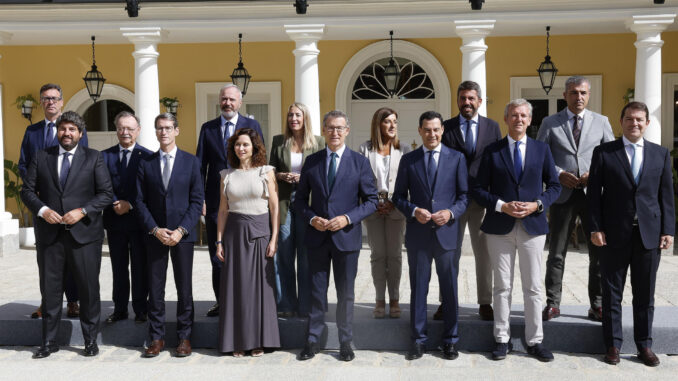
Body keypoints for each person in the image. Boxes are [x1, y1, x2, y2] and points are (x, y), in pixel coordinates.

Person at [472, 99, 561, 362]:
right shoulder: (492, 151)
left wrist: (537, 204)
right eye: (513, 115)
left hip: (533, 227)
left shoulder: (541, 149)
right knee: (502, 286)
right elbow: (478, 190)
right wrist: (501, 206)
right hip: (499, 227)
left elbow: (555, 186)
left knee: (533, 287)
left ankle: (534, 341)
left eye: (523, 115)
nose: (518, 119)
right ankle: (501, 339)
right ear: (506, 119)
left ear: (530, 120)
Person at [587, 101, 675, 367]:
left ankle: (644, 345)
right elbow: (593, 196)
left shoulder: (660, 154)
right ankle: (613, 344)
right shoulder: (604, 152)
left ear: (647, 123)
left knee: (645, 294)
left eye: (639, 119)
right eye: (629, 119)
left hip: (649, 234)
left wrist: (668, 230)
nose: (634, 123)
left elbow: (666, 196)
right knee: (612, 292)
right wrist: (595, 227)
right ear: (621, 121)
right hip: (613, 234)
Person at [21, 111, 113, 358]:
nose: (67, 133)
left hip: (84, 235)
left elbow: (105, 194)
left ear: (80, 134)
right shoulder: (41, 157)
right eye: (63, 129)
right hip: (50, 236)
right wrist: (42, 210)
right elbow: (27, 190)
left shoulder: (94, 158)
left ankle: (90, 341)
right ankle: (49, 342)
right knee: (50, 291)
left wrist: (82, 211)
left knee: (88, 290)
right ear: (57, 132)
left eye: (72, 129)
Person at [295, 110, 378, 362]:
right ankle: (313, 340)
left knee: (346, 293)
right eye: (330, 128)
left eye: (340, 128)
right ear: (323, 130)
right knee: (317, 292)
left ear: (347, 131)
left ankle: (345, 341)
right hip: (318, 237)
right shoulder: (312, 161)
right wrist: (312, 218)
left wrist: (347, 218)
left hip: (347, 238)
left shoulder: (359, 162)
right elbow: (299, 202)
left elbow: (372, 201)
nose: (335, 133)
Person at [537, 76, 615, 322]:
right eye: (573, 93)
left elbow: (612, 156)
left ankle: (598, 305)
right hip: (563, 195)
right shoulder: (550, 123)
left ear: (588, 95)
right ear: (565, 95)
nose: (578, 97)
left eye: (582, 93)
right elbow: (540, 156)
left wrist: (596, 173)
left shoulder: (602, 122)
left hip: (594, 196)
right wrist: (559, 174)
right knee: (557, 253)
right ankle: (552, 303)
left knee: (598, 253)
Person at [393, 111, 468, 361]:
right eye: (427, 130)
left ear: (442, 130)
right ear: (420, 131)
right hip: (419, 235)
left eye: (436, 129)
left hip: (447, 234)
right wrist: (414, 210)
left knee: (450, 290)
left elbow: (464, 197)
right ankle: (418, 340)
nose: (432, 134)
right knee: (418, 289)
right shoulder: (409, 160)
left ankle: (450, 341)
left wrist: (450, 212)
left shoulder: (457, 158)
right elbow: (398, 197)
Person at [135, 113, 204, 358]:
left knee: (184, 288)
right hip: (155, 235)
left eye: (167, 128)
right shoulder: (146, 163)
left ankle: (185, 337)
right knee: (155, 289)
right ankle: (156, 337)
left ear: (176, 130)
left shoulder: (191, 162)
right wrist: (155, 229)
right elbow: (140, 201)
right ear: (155, 132)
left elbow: (197, 201)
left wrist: (181, 230)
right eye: (159, 128)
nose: (163, 132)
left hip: (182, 236)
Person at [19, 83, 89, 319]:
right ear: (41, 102)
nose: (50, 102)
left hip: (70, 207)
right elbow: (23, 164)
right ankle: (47, 303)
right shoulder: (32, 132)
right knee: (46, 260)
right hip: (44, 207)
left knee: (71, 258)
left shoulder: (76, 129)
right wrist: (36, 194)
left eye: (54, 98)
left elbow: (83, 163)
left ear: (61, 100)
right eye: (46, 98)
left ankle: (73, 302)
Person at [196, 84, 264, 317]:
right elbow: (200, 166)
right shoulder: (208, 129)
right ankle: (222, 302)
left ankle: (245, 303)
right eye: (224, 99)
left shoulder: (252, 126)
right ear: (219, 101)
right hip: (216, 202)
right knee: (218, 254)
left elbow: (260, 160)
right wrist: (200, 199)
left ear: (240, 102)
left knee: (245, 254)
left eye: (232, 100)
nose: (227, 103)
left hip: (246, 202)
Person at [440, 80, 502, 322]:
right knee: (449, 253)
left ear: (479, 101)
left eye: (471, 98)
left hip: (482, 201)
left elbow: (496, 163)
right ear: (458, 100)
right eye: (463, 98)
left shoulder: (492, 127)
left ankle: (485, 302)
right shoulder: (447, 127)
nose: (467, 102)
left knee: (484, 254)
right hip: (453, 202)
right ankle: (447, 301)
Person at [216, 128, 280, 357]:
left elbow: (274, 207)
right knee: (236, 289)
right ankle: (237, 341)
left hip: (260, 234)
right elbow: (222, 211)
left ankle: (258, 340)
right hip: (233, 235)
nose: (241, 148)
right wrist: (219, 242)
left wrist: (273, 239)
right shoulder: (226, 175)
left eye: (245, 144)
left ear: (254, 147)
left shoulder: (266, 171)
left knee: (259, 290)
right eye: (237, 145)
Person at [269, 103, 325, 318]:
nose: (293, 118)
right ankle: (286, 304)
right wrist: (281, 176)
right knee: (284, 252)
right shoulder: (278, 140)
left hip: (307, 202)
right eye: (290, 114)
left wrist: (304, 178)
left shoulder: (318, 142)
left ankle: (305, 305)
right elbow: (270, 169)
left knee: (305, 255)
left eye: (297, 115)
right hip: (284, 201)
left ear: (305, 118)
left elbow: (321, 171)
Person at [359, 107, 410, 319]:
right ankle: (380, 299)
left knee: (395, 255)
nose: (392, 126)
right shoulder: (365, 149)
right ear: (378, 124)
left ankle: (395, 299)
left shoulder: (403, 149)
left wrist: (394, 201)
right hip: (373, 208)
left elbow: (407, 181)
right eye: (387, 121)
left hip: (396, 208)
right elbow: (361, 179)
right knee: (378, 255)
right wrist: (372, 201)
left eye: (394, 122)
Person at [101, 111, 153, 324]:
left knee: (141, 267)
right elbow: (101, 184)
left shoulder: (148, 156)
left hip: (139, 221)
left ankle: (141, 309)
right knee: (118, 268)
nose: (125, 132)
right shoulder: (104, 156)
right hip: (115, 220)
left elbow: (149, 187)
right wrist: (115, 202)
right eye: (121, 128)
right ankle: (120, 309)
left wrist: (129, 203)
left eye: (130, 128)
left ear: (138, 131)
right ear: (116, 130)